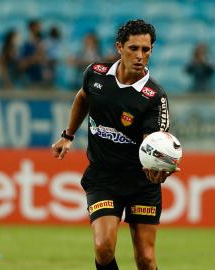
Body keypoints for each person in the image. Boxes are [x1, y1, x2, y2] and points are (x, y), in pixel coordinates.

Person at [51, 19, 178, 270]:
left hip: (141, 183)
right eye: (133, 48)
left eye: (146, 50)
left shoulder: (154, 97)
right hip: (103, 178)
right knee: (103, 247)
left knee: (145, 259)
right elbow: (83, 97)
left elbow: (152, 142)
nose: (140, 56)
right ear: (119, 47)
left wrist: (157, 167)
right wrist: (68, 135)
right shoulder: (96, 74)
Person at [19, 19, 48, 88]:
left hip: (41, 78)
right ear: (32, 28)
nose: (40, 29)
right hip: (29, 79)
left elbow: (44, 60)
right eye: (38, 26)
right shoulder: (26, 44)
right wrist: (35, 58)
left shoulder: (43, 42)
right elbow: (22, 65)